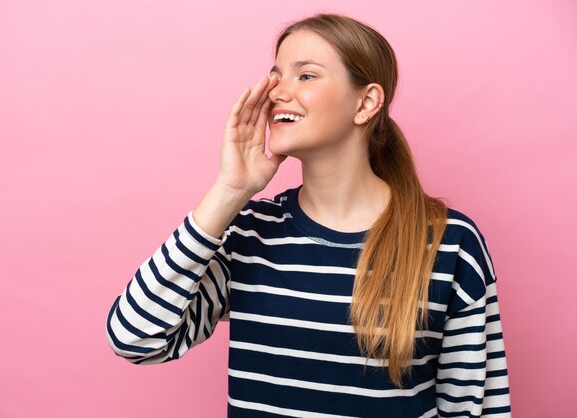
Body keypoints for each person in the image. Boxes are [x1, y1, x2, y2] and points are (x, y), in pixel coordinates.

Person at [105, 12, 511, 418]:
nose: (277, 92)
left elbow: (478, 408)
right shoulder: (248, 232)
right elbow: (135, 338)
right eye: (276, 75)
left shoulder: (451, 243)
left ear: (366, 102)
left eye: (306, 76)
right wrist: (230, 191)